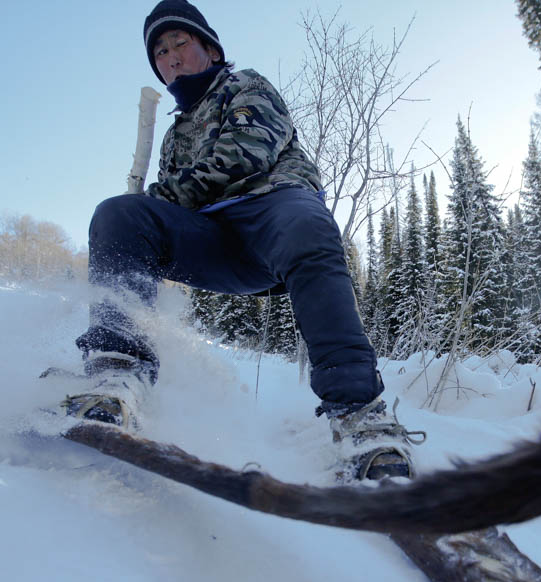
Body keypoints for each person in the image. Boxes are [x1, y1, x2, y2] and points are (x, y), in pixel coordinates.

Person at [60, 0, 422, 481]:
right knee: (118, 216)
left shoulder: (244, 85)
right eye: (160, 53)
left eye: (179, 44)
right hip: (212, 240)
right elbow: (166, 212)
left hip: (270, 212)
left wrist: (163, 194)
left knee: (306, 225)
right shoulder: (173, 137)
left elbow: (245, 154)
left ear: (209, 48)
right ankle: (116, 371)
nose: (170, 58)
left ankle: (360, 415)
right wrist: (142, 213)